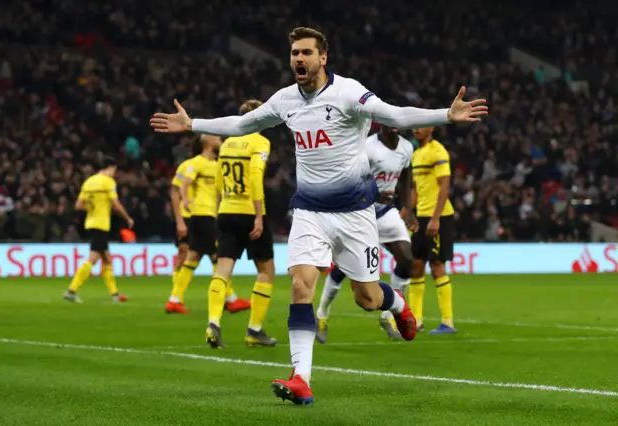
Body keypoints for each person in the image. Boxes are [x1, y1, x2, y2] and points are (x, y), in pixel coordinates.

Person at [150, 27, 487, 405]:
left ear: (323, 57)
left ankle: (397, 305)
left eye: (307, 52)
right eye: (294, 52)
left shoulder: (348, 92)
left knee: (367, 298)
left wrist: (446, 114)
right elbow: (242, 124)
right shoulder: (286, 99)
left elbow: (395, 114)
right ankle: (302, 379)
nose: (299, 59)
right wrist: (193, 124)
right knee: (300, 286)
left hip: (357, 213)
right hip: (309, 210)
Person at [315, 124, 418, 341]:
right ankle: (322, 313)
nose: (392, 125)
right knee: (346, 268)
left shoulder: (407, 148)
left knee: (408, 260)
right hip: (359, 213)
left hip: (386, 213)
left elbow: (407, 177)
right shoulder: (367, 147)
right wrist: (372, 194)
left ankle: (389, 314)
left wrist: (408, 209)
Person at [202, 99, 277, 348]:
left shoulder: (226, 144)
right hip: (249, 211)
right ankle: (254, 330)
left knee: (222, 270)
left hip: (226, 210)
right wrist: (258, 216)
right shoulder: (260, 142)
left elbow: (219, 182)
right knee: (266, 271)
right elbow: (255, 176)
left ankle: (213, 322)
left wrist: (221, 208)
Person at [165, 134, 250, 314]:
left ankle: (175, 299)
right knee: (217, 256)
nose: (221, 140)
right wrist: (185, 201)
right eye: (217, 138)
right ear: (208, 142)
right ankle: (231, 298)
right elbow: (181, 187)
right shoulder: (194, 164)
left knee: (193, 256)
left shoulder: (217, 165)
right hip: (200, 214)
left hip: (210, 215)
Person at [64, 156, 133, 303]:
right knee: (93, 258)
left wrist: (92, 207)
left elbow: (78, 205)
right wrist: (127, 218)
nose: (114, 173)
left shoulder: (88, 182)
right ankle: (71, 290)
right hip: (101, 224)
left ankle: (114, 294)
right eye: (114, 170)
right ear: (110, 168)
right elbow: (116, 204)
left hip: (90, 223)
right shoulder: (108, 182)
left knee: (107, 259)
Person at [409, 127, 457, 334]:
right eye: (414, 125)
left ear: (431, 128)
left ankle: (447, 322)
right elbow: (417, 189)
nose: (416, 128)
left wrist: (435, 218)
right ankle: (416, 320)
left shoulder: (438, 151)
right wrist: (407, 212)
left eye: (421, 125)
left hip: (439, 217)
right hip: (421, 217)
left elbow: (444, 186)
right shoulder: (417, 153)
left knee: (437, 265)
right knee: (417, 265)